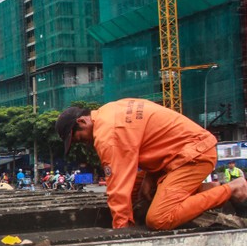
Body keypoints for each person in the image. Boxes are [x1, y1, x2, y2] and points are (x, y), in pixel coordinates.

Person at [56, 98, 247, 230]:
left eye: (79, 138)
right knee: (135, 193)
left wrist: (122, 232)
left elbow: (117, 187)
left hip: (193, 155)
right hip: (175, 156)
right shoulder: (111, 109)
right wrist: (150, 174)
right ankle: (206, 190)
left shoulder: (108, 136)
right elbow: (152, 138)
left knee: (159, 219)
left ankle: (233, 188)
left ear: (82, 120)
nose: (84, 142)